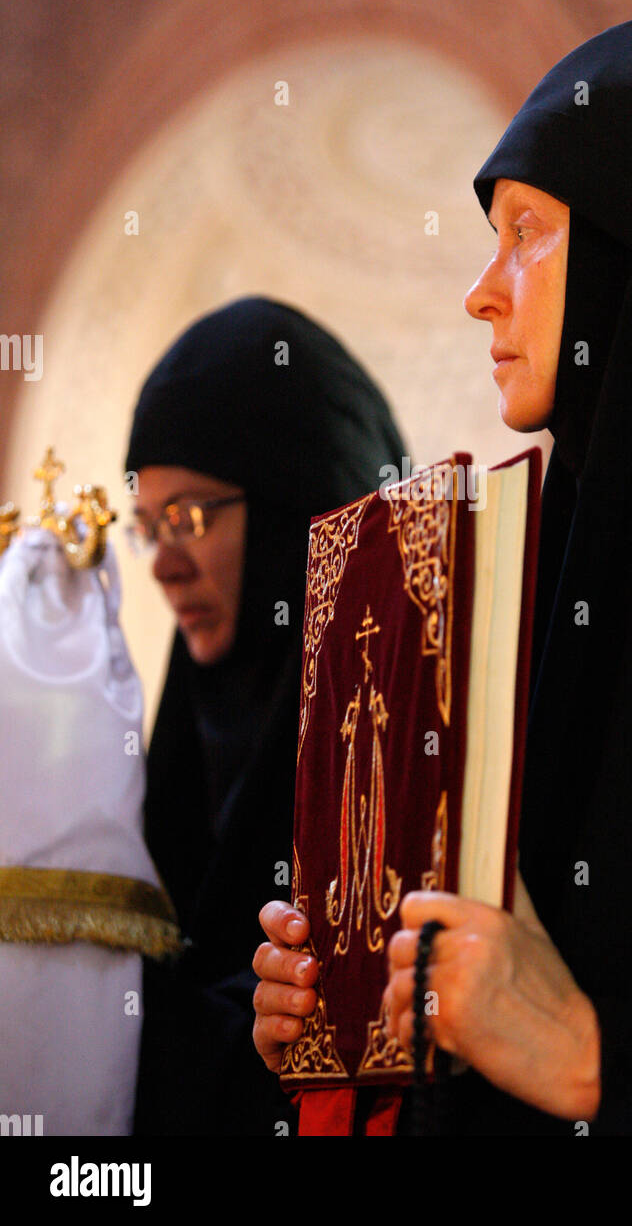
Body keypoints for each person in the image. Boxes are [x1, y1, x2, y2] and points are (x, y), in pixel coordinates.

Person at [252, 13, 632, 1134]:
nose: (481, 291)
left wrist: (595, 1063)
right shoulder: (509, 572)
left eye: (527, 232)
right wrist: (357, 1012)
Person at [125, 295, 406, 1135]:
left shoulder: (397, 752)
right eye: (146, 527)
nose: (163, 567)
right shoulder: (183, 755)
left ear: (296, 510)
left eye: (188, 518)